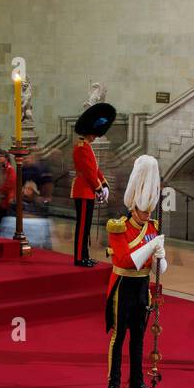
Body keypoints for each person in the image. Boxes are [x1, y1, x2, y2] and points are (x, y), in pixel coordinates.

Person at [104, 155, 167, 388]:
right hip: (123, 285)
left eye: (149, 208)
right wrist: (151, 249)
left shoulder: (152, 227)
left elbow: (158, 269)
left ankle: (136, 380)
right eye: (143, 208)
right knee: (119, 337)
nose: (147, 212)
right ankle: (114, 381)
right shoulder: (119, 226)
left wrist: (161, 257)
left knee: (139, 337)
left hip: (143, 285)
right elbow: (124, 260)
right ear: (133, 207)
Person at [71, 103, 114, 267]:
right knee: (82, 226)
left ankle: (85, 255)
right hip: (83, 190)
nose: (95, 136)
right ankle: (80, 257)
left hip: (88, 190)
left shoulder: (86, 146)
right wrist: (98, 189)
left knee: (86, 225)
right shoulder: (81, 147)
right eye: (94, 134)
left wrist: (104, 185)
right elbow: (89, 172)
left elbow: (95, 170)